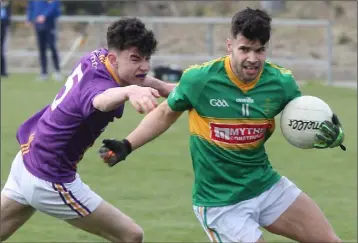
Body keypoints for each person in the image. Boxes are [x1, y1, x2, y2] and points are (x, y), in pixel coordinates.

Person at [98, 8, 346, 243]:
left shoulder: (281, 83)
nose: (252, 59)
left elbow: (304, 118)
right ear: (230, 46)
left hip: (265, 184)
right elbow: (164, 113)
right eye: (244, 49)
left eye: (259, 51)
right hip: (220, 203)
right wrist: (126, 145)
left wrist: (329, 132)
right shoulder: (201, 79)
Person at [1, 17, 176, 242]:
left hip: (28, 159)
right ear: (114, 58)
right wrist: (129, 91)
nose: (144, 66)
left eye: (146, 58)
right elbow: (101, 101)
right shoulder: (100, 86)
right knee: (131, 236)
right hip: (49, 177)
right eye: (135, 59)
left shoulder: (100, 57)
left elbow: (134, 75)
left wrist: (162, 87)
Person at [26, 0, 62, 81]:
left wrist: (44, 15)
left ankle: (57, 71)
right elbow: (31, 7)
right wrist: (29, 18)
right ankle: (44, 73)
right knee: (42, 49)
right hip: (38, 26)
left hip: (50, 25)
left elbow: (54, 5)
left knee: (52, 47)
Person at [1, 0, 11, 77]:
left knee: (1, 50)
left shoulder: (6, 4)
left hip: (2, 28)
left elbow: (7, 18)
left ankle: (3, 71)